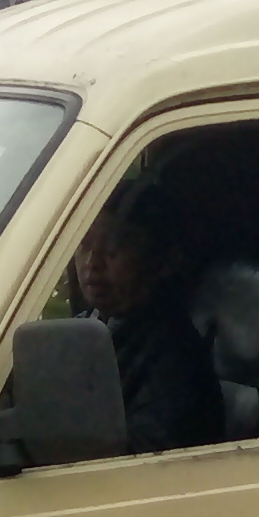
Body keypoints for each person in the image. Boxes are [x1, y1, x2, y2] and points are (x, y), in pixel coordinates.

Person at [69, 180, 225, 455]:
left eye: (113, 248)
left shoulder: (174, 356)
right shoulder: (85, 329)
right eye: (84, 245)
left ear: (164, 261)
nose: (92, 263)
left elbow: (139, 460)